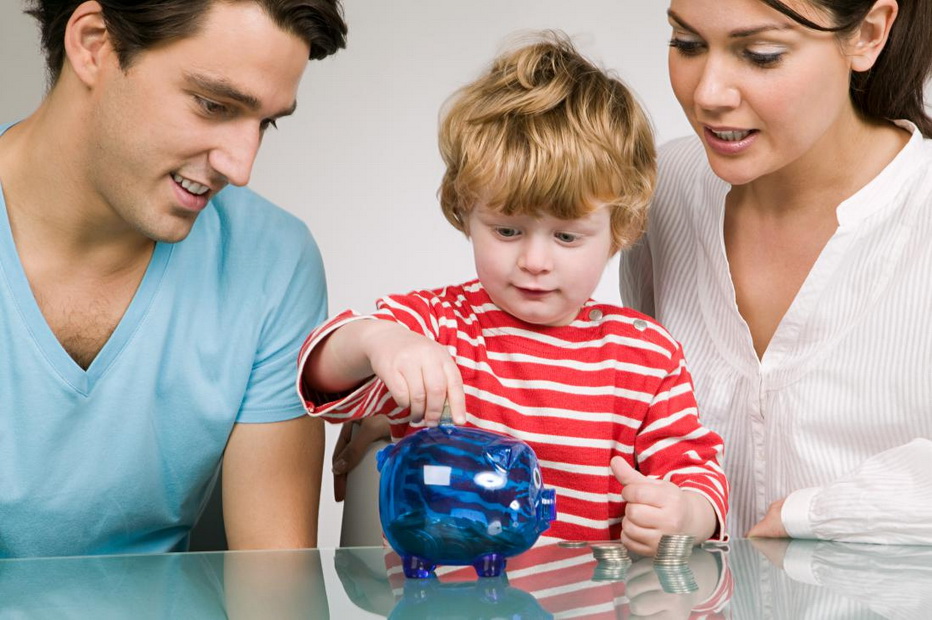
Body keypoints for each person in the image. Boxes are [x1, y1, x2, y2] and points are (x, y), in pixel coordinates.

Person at [298, 32, 729, 556]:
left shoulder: (646, 356)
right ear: (464, 210)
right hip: (448, 607)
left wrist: (686, 513)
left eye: (567, 236)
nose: (535, 261)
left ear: (621, 227)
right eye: (507, 230)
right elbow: (321, 374)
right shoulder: (434, 327)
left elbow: (695, 469)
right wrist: (377, 342)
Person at [0, 0, 347, 557]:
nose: (241, 166)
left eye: (266, 122)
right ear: (93, 44)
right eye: (213, 104)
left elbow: (275, 583)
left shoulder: (273, 263)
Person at [620, 0, 932, 544]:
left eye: (761, 55)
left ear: (868, 33)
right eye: (687, 44)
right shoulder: (660, 190)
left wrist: (817, 515)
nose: (708, 94)